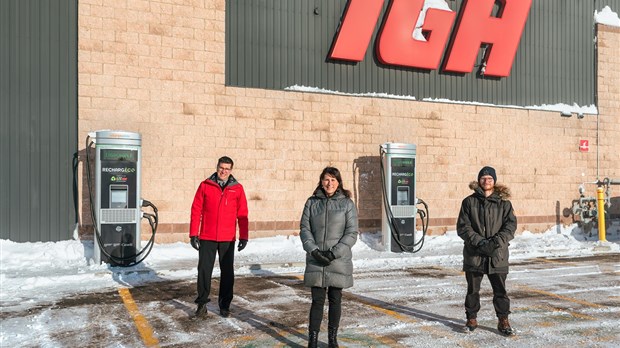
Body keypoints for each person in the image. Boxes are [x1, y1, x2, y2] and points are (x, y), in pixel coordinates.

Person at [300, 167, 358, 348]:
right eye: (326, 179)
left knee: (335, 299)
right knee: (317, 301)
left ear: (339, 182)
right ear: (321, 181)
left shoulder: (347, 204)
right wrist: (314, 251)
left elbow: (351, 233)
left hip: (337, 261)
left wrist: (334, 253)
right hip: (316, 259)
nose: (329, 183)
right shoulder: (311, 203)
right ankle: (313, 341)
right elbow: (305, 229)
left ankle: (332, 340)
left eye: (333, 180)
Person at [457, 166, 517, 335]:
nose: (486, 181)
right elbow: (463, 227)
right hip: (474, 255)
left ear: (494, 181)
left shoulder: (504, 203)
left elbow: (510, 226)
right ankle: (471, 318)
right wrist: (481, 243)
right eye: (483, 178)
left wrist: (495, 243)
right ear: (479, 180)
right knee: (472, 291)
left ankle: (503, 320)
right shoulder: (469, 202)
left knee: (500, 291)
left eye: (490, 178)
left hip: (497, 255)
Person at [189, 156, 249, 318]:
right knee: (204, 270)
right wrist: (194, 233)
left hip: (227, 239)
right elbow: (196, 210)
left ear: (231, 170)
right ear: (217, 167)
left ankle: (224, 305)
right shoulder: (205, 185)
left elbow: (242, 214)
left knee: (227, 273)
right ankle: (201, 304)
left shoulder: (238, 189)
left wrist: (244, 236)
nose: (224, 171)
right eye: (221, 168)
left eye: (227, 169)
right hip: (207, 236)